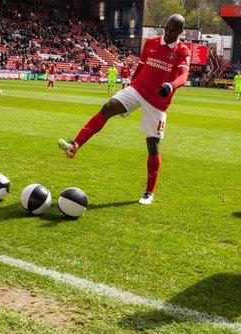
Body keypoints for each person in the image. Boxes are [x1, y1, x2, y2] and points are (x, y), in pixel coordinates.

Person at [58, 14, 190, 205]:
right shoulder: (151, 42)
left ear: (180, 32)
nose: (168, 33)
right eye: (167, 28)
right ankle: (76, 144)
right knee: (108, 106)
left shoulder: (182, 50)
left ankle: (149, 192)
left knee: (153, 145)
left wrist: (171, 85)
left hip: (158, 102)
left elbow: (184, 75)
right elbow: (141, 66)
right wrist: (129, 85)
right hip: (137, 90)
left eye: (173, 30)